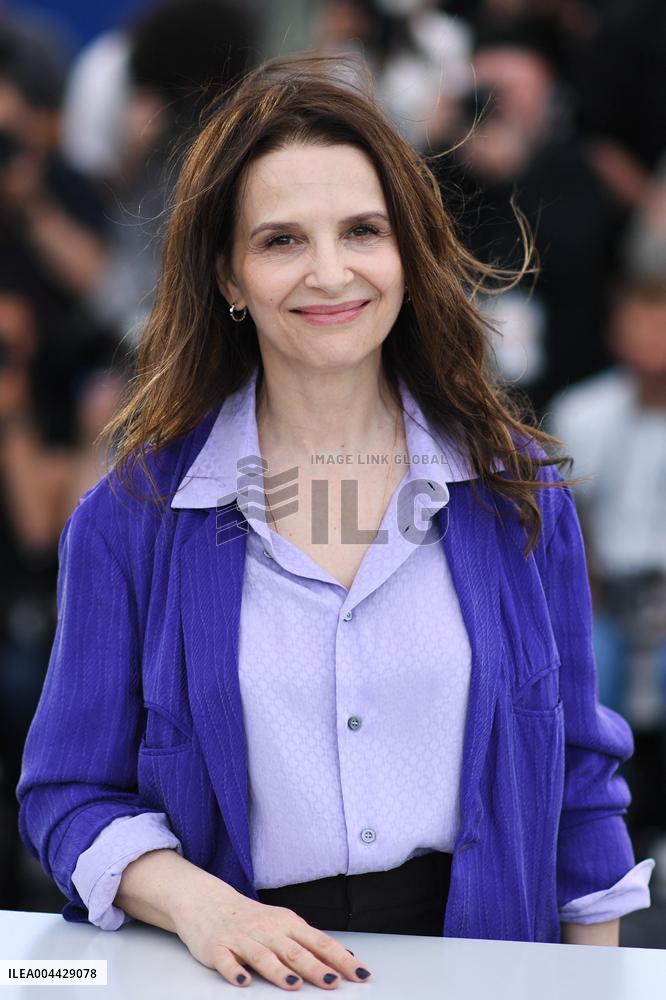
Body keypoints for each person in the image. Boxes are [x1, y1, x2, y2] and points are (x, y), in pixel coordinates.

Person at [17, 55, 652, 992]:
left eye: (363, 230)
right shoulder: (130, 520)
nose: (329, 272)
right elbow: (67, 796)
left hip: (482, 959)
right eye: (280, 241)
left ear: (408, 253)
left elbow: (578, 783)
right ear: (228, 273)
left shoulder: (518, 494)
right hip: (228, 971)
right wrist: (203, 905)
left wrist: (599, 990)